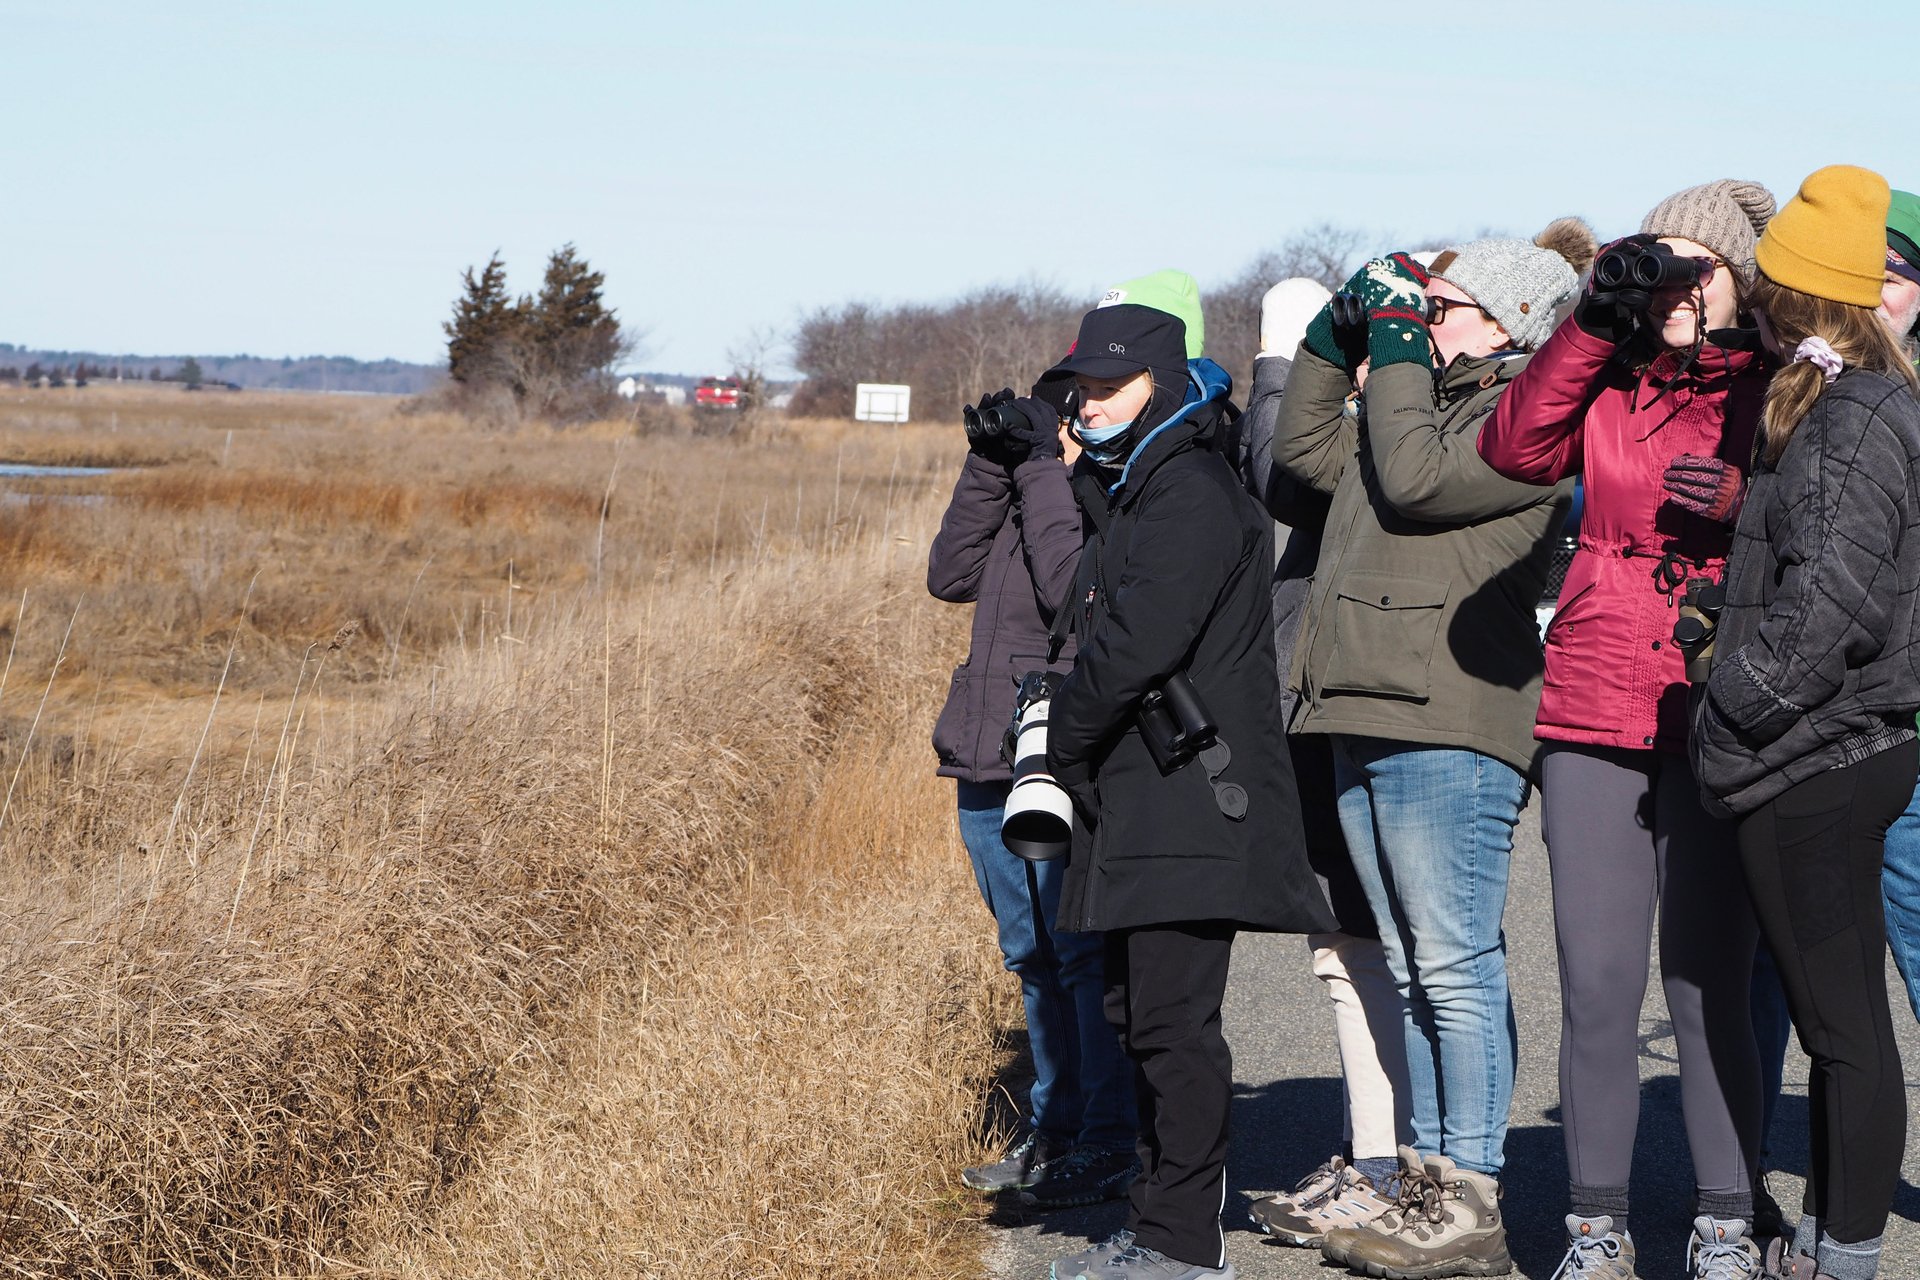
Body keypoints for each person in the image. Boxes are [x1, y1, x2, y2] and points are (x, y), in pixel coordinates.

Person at [1274, 221, 1590, 1280]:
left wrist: (1396, 351)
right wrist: (1331, 333)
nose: (1417, 319)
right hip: (1362, 704)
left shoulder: (1525, 417)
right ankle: (1426, 1181)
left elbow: (1411, 481)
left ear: (1507, 323)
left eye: (1440, 305)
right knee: (1409, 967)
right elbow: (1303, 456)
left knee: (1452, 964)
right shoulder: (1418, 402)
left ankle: (1471, 1193)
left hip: (1448, 719)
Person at [1476, 179, 1777, 1280]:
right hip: (1596, 697)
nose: (1679, 283)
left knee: (1707, 983)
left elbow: (1832, 501)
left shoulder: (1778, 383)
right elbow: (1512, 449)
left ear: (1742, 275)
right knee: (1598, 985)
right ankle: (1595, 1229)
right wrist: (1594, 317)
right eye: (1663, 259)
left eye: (1701, 262)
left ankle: (1725, 1225)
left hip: (1719, 702)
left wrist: (1749, 497)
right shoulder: (1603, 373)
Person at [1040, 270, 1335, 1280]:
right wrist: (1071, 462)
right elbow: (1102, 582)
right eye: (1078, 389)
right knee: (1139, 1016)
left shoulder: (1194, 491)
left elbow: (1132, 644)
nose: (1086, 404)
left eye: (1107, 389)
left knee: (1172, 1025)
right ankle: (1155, 1221)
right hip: (1146, 792)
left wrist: (1056, 742)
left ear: (1162, 386)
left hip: (1191, 791)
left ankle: (1182, 1242)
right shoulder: (1147, 483)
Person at [1691, 164, 1920, 1280]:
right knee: (1844, 1034)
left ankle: (1847, 1259)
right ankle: (1835, 1248)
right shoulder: (1839, 402)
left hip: (1815, 755)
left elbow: (1835, 601)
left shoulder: (1861, 412)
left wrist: (1733, 706)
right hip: (1830, 748)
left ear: (1798, 296)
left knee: (1844, 1034)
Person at [928, 370, 1139, 1208]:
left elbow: (1066, 596)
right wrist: (990, 461)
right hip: (982, 752)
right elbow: (949, 575)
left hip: (1051, 752)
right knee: (1029, 956)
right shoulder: (1022, 488)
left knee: (1079, 953)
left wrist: (1043, 469)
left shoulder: (1101, 492)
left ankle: (1104, 1136)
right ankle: (1053, 1131)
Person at [1234, 277, 1414, 1248]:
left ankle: (1392, 1168)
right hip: (1324, 693)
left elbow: (1282, 473)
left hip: (1357, 698)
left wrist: (1277, 354)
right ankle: (1375, 1155)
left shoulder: (1388, 425)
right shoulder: (1375, 415)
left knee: (1372, 948)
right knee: (1345, 948)